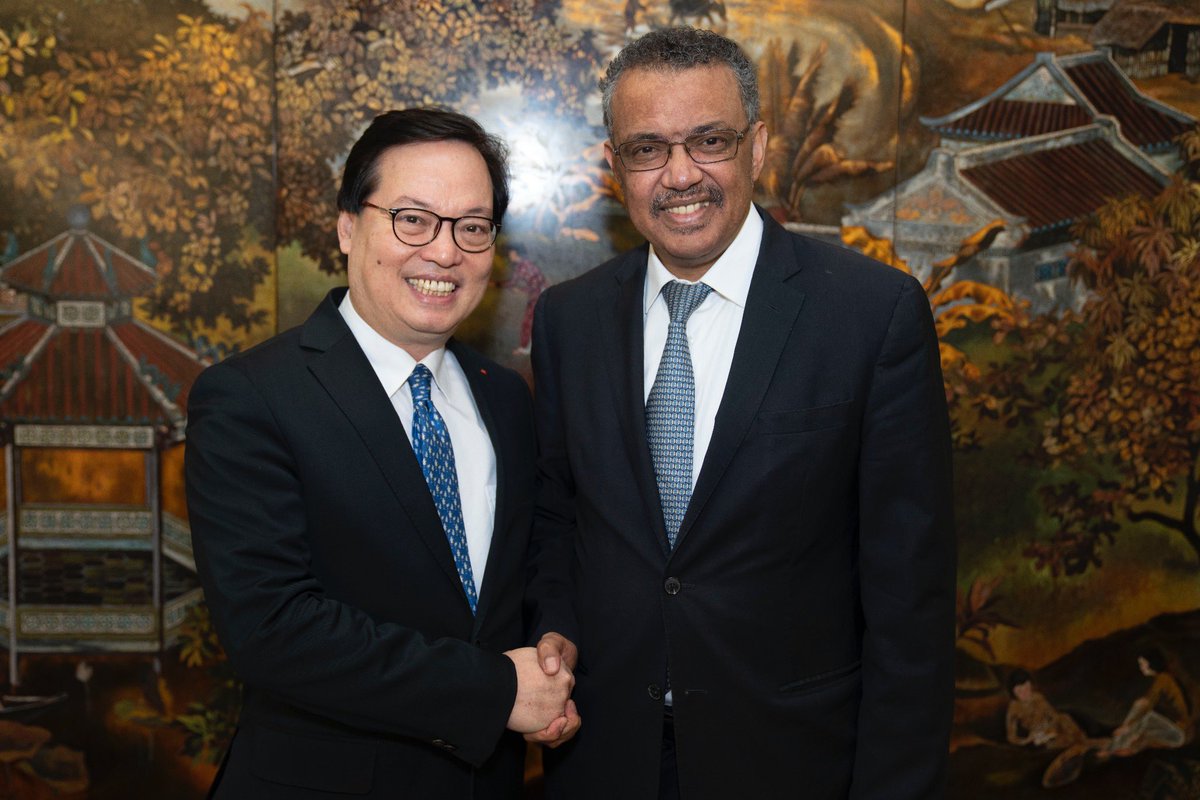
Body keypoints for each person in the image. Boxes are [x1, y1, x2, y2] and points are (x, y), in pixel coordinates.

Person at [527, 27, 955, 799]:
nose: (679, 174)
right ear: (616, 165)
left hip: (791, 761)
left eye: (709, 141)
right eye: (648, 149)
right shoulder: (569, 319)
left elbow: (911, 600)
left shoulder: (871, 314)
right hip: (603, 759)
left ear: (757, 148)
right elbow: (559, 514)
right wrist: (554, 624)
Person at [186, 108, 576, 799]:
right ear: (347, 226)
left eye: (472, 227)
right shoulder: (251, 397)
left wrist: (553, 641)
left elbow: (533, 560)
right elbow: (270, 628)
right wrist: (494, 690)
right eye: (413, 220)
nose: (445, 252)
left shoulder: (505, 398)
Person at [1102, 649, 1191, 759]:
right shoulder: (1162, 679)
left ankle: (1116, 746)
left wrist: (1128, 725)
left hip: (1178, 731)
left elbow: (1148, 703)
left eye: (1143, 663)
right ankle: (1119, 746)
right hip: (1174, 732)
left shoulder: (1163, 679)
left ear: (1151, 663)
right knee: (1142, 718)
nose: (1141, 667)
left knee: (1141, 707)